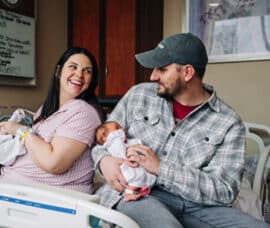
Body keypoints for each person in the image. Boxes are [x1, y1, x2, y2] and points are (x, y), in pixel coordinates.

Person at [92, 33, 270, 228]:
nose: (153, 76)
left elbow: (224, 190)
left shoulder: (228, 122)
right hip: (138, 194)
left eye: (162, 69)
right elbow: (103, 139)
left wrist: (161, 168)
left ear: (187, 73)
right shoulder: (138, 96)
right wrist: (104, 161)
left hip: (196, 206)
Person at [0, 46, 104, 224]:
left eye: (87, 71)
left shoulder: (83, 112)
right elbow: (26, 151)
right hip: (20, 184)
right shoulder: (44, 112)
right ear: (58, 71)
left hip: (55, 192)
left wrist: (19, 130)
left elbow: (54, 163)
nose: (79, 74)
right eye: (73, 67)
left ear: (91, 80)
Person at [95, 121, 156, 201]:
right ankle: (129, 193)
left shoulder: (120, 141)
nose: (122, 129)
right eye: (117, 128)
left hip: (131, 164)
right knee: (136, 176)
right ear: (104, 137)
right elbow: (121, 153)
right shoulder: (114, 141)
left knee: (142, 175)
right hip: (125, 167)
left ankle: (139, 189)